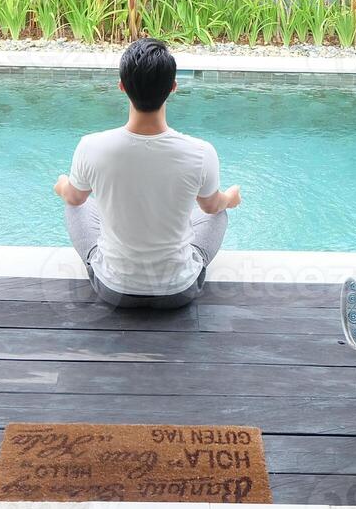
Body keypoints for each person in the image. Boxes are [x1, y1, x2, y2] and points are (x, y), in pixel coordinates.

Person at [54, 38, 241, 308]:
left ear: (121, 86)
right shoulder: (201, 152)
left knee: (75, 205)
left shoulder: (91, 146)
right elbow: (212, 207)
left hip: (112, 289)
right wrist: (230, 198)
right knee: (217, 210)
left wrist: (62, 185)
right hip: (179, 291)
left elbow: (73, 198)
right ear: (173, 88)